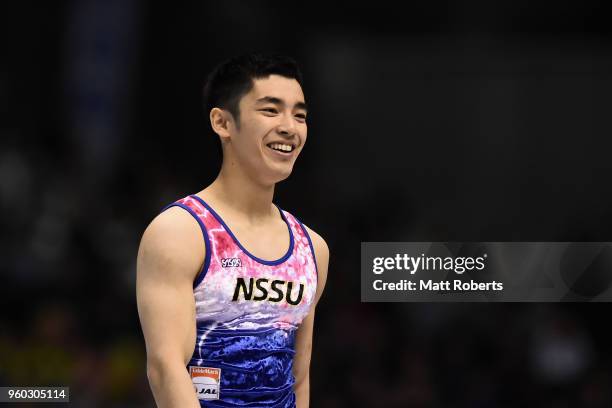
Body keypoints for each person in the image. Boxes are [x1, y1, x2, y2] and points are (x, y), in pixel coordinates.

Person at [136, 53, 329, 408]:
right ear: (222, 122)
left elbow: (299, 380)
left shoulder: (312, 248)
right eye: (271, 111)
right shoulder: (180, 232)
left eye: (300, 115)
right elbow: (165, 369)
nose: (289, 127)